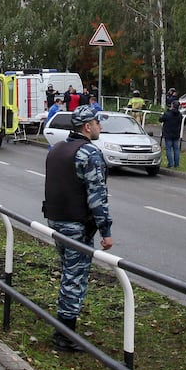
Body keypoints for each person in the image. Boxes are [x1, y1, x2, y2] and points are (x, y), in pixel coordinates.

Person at [42, 105, 113, 353]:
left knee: (68, 272)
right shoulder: (90, 154)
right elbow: (98, 198)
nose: (100, 127)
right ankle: (65, 335)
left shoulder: (57, 149)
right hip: (77, 224)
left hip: (55, 219)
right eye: (97, 122)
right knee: (75, 277)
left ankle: (65, 327)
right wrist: (106, 231)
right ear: (87, 126)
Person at [159, 100, 183, 168]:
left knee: (168, 149)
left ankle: (170, 164)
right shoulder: (180, 115)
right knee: (176, 149)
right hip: (176, 133)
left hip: (168, 133)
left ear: (172, 106)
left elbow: (160, 119)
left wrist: (167, 111)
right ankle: (177, 164)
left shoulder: (167, 114)